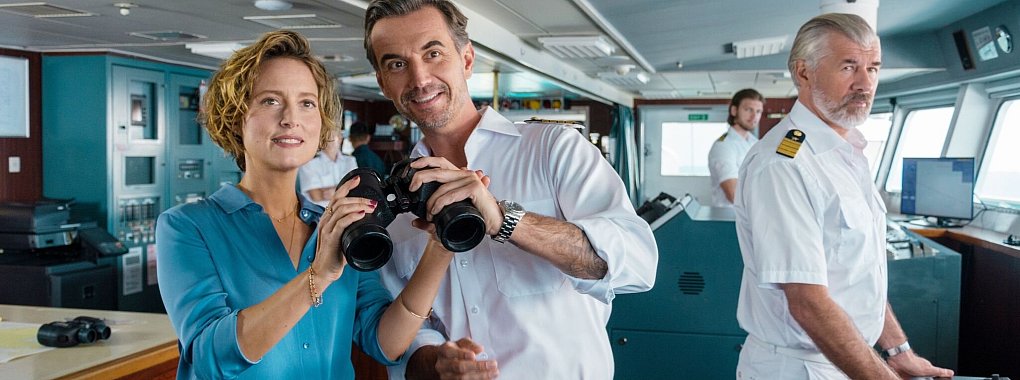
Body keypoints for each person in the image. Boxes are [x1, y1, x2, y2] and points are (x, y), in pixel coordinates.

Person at [362, 1, 658, 379]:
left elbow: (637, 264)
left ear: (466, 59)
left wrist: (506, 220)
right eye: (397, 64)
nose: (420, 78)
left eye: (433, 53)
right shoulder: (397, 206)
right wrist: (435, 361)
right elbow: (406, 341)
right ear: (383, 82)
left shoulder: (553, 149)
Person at [156, 30, 457, 379]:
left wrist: (440, 248)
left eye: (306, 103)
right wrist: (318, 276)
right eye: (270, 101)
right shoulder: (187, 226)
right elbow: (211, 356)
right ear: (236, 117)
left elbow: (385, 342)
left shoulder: (339, 226)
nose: (290, 118)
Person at [733, 13, 954, 379]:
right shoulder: (784, 163)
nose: (865, 83)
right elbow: (808, 301)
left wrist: (898, 351)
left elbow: (854, 272)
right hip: (800, 367)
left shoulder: (846, 153)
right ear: (804, 73)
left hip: (843, 359)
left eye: (873, 68)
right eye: (849, 67)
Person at [707, 88, 764, 207]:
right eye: (748, 110)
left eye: (758, 111)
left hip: (753, 217)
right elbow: (734, 194)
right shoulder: (723, 146)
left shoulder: (755, 143)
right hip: (730, 219)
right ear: (734, 110)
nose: (754, 116)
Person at [298, 129, 359, 207]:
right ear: (322, 140)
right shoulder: (309, 163)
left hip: (345, 214)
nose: (339, 138)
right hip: (319, 216)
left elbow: (357, 189)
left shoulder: (350, 160)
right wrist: (346, 189)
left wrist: (333, 192)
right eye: (332, 136)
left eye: (339, 135)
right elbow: (316, 196)